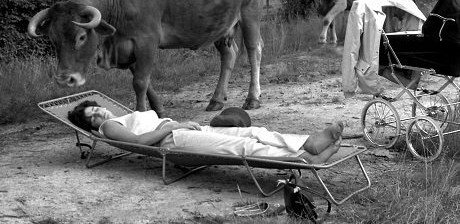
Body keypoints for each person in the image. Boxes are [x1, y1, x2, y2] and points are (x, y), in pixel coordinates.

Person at [68, 100, 343, 164]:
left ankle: (308, 143)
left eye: (96, 108)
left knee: (252, 132)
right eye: (92, 117)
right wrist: (175, 125)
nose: (99, 113)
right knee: (241, 148)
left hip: (184, 130)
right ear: (92, 126)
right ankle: (301, 159)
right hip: (173, 139)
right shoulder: (108, 127)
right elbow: (140, 141)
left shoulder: (122, 115)